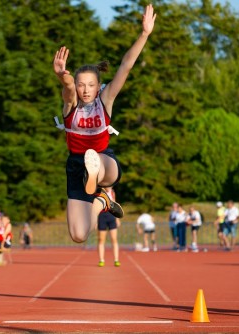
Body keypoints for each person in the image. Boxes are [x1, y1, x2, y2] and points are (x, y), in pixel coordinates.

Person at [52, 4, 156, 243]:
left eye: (90, 85)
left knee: (93, 158)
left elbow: (126, 66)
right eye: (81, 85)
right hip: (76, 167)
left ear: (98, 86)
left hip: (104, 161)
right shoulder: (71, 106)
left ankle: (96, 177)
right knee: (79, 235)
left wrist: (144, 34)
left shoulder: (105, 99)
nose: (85, 90)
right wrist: (61, 75)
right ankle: (102, 201)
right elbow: (67, 88)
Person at [97, 187, 121, 267]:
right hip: (102, 216)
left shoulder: (113, 192)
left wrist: (117, 219)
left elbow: (115, 205)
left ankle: (116, 260)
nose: (109, 187)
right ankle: (101, 260)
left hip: (111, 216)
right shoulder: (99, 192)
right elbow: (95, 206)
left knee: (114, 239)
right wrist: (95, 220)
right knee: (101, 239)